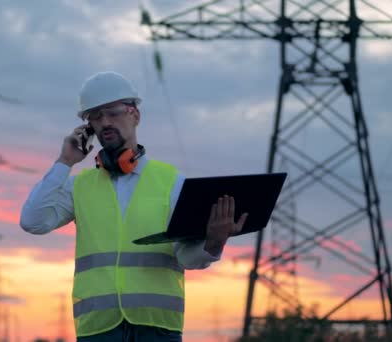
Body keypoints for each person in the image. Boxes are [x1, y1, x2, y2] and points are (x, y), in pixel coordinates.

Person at [20, 71, 248, 342]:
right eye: (95, 116)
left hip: (157, 327)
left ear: (135, 115)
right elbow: (33, 221)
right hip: (98, 328)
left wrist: (214, 242)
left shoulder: (171, 182)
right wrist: (64, 162)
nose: (105, 122)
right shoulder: (78, 186)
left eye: (113, 113)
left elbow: (187, 258)